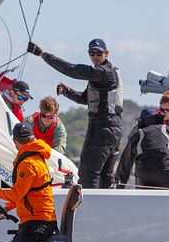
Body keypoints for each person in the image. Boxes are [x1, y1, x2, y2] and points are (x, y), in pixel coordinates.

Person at [27, 38, 123, 188]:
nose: (95, 57)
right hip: (113, 130)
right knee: (105, 177)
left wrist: (42, 54)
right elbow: (85, 98)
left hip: (102, 129)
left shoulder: (104, 72)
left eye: (99, 53)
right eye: (92, 53)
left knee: (87, 176)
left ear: (106, 53)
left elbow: (72, 69)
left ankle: (87, 210)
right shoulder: (102, 74)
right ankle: (106, 209)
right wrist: (66, 91)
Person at [0, 122, 57, 242]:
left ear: (15, 141)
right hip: (38, 221)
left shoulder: (28, 164)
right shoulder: (36, 157)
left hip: (37, 223)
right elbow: (27, 193)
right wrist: (8, 207)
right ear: (32, 137)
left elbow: (17, 194)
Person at [115, 108, 169, 189]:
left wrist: (119, 186)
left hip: (144, 176)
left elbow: (125, 165)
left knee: (140, 195)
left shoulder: (137, 135)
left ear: (143, 121)